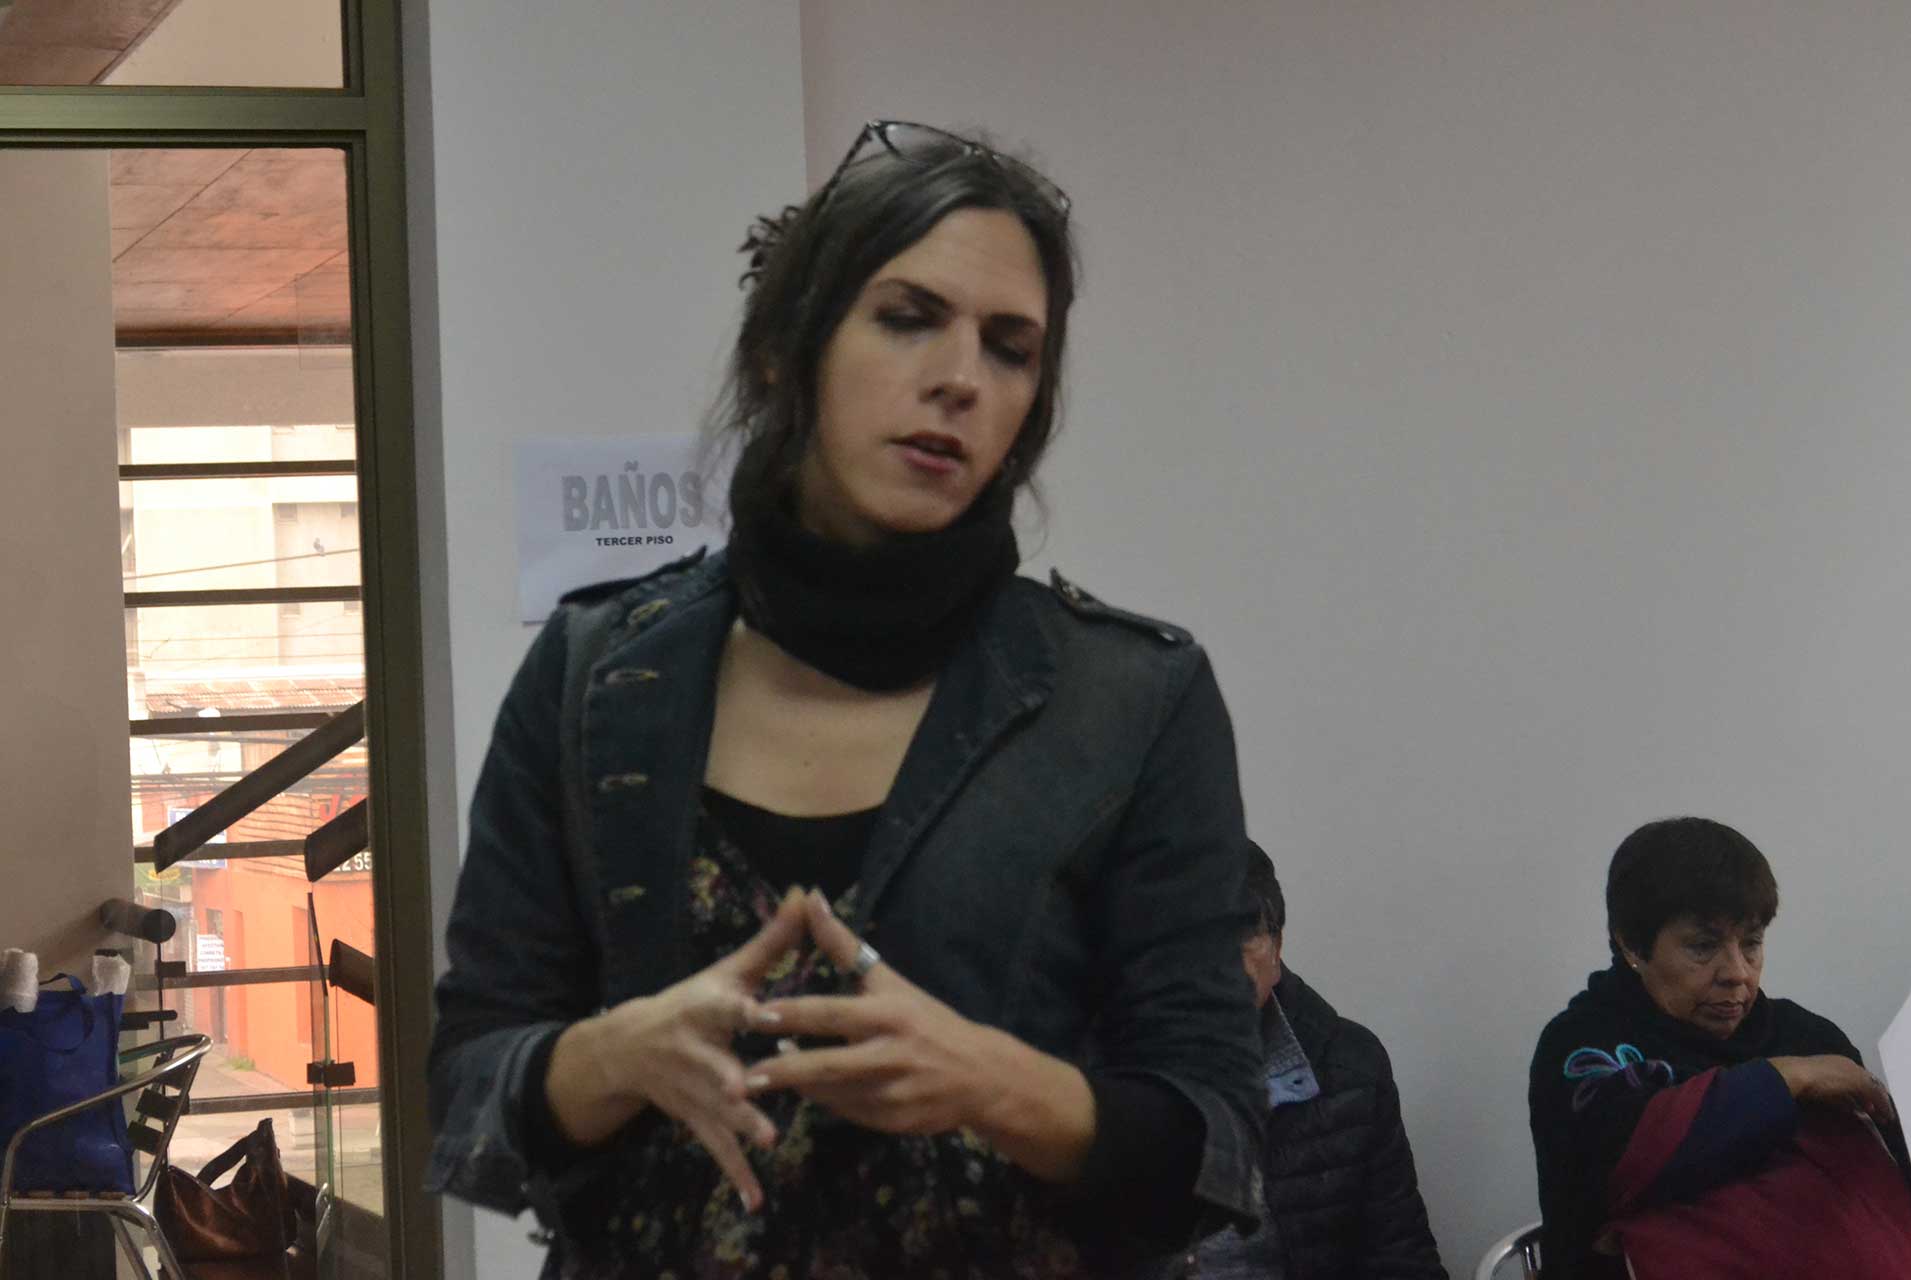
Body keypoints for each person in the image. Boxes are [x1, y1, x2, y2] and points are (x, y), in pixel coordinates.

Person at [425, 120, 1264, 1278]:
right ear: (787, 348)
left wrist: (1000, 1085)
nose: (961, 378)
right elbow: (468, 1077)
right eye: (908, 316)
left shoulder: (1130, 698)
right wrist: (615, 1055)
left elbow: (1217, 1131)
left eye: (1011, 348)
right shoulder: (598, 673)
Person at [1529, 816, 1911, 1279]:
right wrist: (1789, 1079)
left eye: (1751, 943)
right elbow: (1623, 1160)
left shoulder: (1806, 1035)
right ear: (1632, 945)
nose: (1737, 972)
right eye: (1703, 946)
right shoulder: (1582, 1044)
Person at [1183, 843, 1446, 1278]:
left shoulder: (1349, 1067)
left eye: (1242, 933)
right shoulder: (1088, 1075)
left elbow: (1401, 1259)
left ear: (1277, 949)